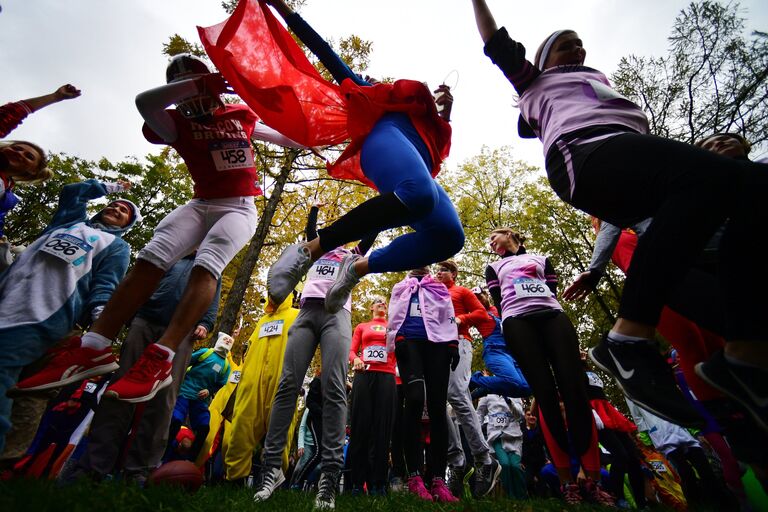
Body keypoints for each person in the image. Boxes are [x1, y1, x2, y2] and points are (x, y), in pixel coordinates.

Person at [470, 0, 768, 428]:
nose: (578, 50)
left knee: (749, 187)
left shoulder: (596, 81)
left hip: (627, 157)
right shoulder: (534, 82)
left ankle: (745, 351)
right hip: (585, 154)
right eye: (566, 46)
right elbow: (494, 41)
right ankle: (628, 336)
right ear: (542, 59)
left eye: (581, 45)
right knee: (720, 176)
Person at [18, 54, 305, 403]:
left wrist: (338, 130)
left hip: (238, 206)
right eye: (182, 91)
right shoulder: (170, 122)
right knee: (150, 259)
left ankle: (163, 356)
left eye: (197, 86)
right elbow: (144, 102)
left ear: (215, 88)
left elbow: (293, 139)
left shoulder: (240, 115)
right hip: (201, 204)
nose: (191, 99)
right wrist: (198, 84)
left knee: (207, 263)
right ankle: (94, 346)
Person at [251, 0, 463, 317]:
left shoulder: (417, 109)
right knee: (419, 194)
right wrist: (285, 10)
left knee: (450, 236)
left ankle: (357, 268)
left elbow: (435, 140)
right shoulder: (365, 92)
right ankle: (310, 250)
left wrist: (446, 109)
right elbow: (323, 49)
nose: (375, 80)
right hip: (382, 140)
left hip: (415, 163)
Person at [0, 179, 139, 453]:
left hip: (45, 314)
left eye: (125, 212)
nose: (117, 209)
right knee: (25, 387)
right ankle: (10, 456)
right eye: (114, 206)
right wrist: (112, 188)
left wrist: (101, 321)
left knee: (6, 370)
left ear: (127, 226)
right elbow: (72, 192)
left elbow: (106, 285)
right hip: (9, 299)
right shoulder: (69, 223)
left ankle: (8, 452)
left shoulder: (116, 246)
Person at [252, 204, 376, 510]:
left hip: (337, 315)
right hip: (306, 313)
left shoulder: (353, 253)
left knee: (335, 387)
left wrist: (380, 207)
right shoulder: (317, 251)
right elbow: (311, 235)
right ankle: (271, 472)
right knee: (287, 385)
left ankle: (329, 480)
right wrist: (312, 214)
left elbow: (370, 234)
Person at [484, 227, 611, 506]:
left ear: (511, 235)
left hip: (551, 315)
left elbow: (551, 289)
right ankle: (567, 483)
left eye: (495, 237)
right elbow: (498, 301)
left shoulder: (541, 259)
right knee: (545, 394)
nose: (492, 243)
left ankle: (594, 481)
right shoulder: (493, 267)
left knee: (575, 390)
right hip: (517, 322)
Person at [72, 252, 221, 482]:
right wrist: (132, 312)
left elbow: (212, 300)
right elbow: (146, 282)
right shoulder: (173, 256)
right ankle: (94, 463)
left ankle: (140, 469)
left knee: (164, 398)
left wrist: (205, 323)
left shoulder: (212, 266)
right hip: (146, 321)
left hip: (183, 333)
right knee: (120, 388)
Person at [388, 267, 459, 503]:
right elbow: (395, 314)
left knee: (438, 406)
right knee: (415, 398)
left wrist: (453, 343)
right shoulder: (400, 286)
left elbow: (448, 314)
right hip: (410, 343)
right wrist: (398, 337)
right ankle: (414, 475)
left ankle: (438, 478)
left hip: (438, 344)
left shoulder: (438, 287)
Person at [432, 260, 501, 497]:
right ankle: (458, 463)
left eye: (442, 270)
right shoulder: (432, 295)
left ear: (452, 273)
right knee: (436, 403)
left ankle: (484, 458)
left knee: (457, 395)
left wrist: (461, 320)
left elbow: (482, 314)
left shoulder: (461, 291)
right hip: (437, 349)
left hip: (460, 343)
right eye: (436, 270)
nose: (437, 273)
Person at [224, 294, 300, 484]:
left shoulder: (298, 315)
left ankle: (272, 481)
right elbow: (248, 354)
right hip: (251, 387)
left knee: (280, 434)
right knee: (241, 431)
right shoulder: (261, 321)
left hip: (281, 384)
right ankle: (235, 479)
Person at [1, 84, 81, 241]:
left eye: (29, 156)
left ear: (31, 171)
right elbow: (9, 115)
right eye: (16, 148)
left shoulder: (5, 198)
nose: (19, 153)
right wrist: (55, 97)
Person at [346, 296, 397, 495]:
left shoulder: (393, 326)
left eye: (384, 302)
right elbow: (351, 351)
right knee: (360, 427)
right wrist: (356, 359)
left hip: (386, 376)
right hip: (364, 376)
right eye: (377, 301)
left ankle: (378, 483)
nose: (381, 303)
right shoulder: (362, 326)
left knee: (382, 429)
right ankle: (357, 483)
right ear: (371, 307)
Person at [166, 332, 233, 462]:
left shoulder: (226, 366)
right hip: (185, 392)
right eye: (225, 340)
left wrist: (210, 390)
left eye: (229, 342)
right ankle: (164, 455)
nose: (227, 343)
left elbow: (221, 384)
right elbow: (186, 361)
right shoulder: (206, 353)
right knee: (176, 420)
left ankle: (190, 461)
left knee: (203, 427)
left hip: (201, 400)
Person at [469, 287, 531, 400]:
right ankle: (474, 380)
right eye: (474, 299)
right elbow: (460, 321)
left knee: (526, 388)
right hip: (494, 350)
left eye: (479, 296)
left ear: (486, 295)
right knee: (513, 382)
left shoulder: (499, 309)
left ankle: (487, 388)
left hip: (511, 353)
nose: (478, 300)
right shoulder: (476, 315)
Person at [476, 394, 527, 499]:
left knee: (515, 466)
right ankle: (510, 496)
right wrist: (476, 430)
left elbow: (520, 415)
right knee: (504, 464)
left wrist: (509, 401)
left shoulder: (514, 393)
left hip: (514, 437)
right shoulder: (487, 394)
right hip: (496, 437)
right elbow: (479, 413)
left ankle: (522, 497)